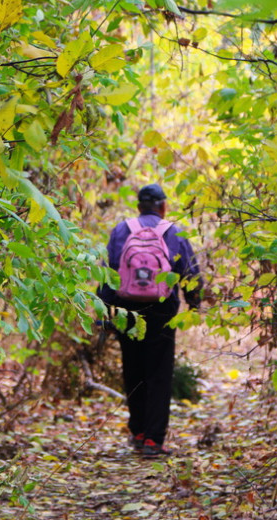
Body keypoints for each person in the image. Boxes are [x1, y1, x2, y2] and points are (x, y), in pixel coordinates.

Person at [98, 183, 203, 457]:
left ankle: (138, 431)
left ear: (138, 206)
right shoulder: (173, 231)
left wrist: (105, 310)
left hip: (125, 308)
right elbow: (189, 270)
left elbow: (109, 271)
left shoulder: (121, 230)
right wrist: (194, 301)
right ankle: (154, 441)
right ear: (163, 206)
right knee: (158, 373)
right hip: (162, 309)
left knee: (132, 369)